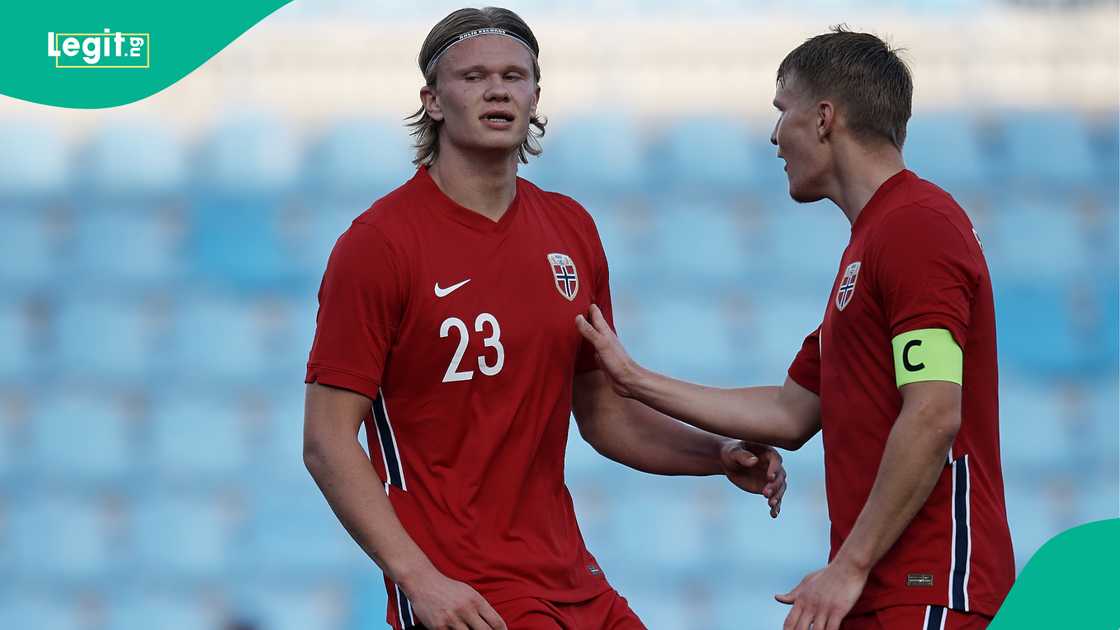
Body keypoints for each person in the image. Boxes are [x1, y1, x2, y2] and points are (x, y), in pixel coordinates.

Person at [301, 7, 787, 630]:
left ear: (535, 96)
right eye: (473, 76)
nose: (498, 89)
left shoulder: (571, 230)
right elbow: (326, 441)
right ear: (433, 101)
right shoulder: (380, 243)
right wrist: (420, 580)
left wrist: (716, 453)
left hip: (571, 576)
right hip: (467, 592)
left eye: (514, 75)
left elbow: (605, 416)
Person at [576, 26, 1015, 630]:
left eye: (782, 111)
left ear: (824, 118)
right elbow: (790, 414)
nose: (773, 136)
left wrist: (849, 566)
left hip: (932, 584)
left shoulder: (917, 226)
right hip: (884, 591)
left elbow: (935, 411)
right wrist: (633, 380)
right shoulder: (871, 245)